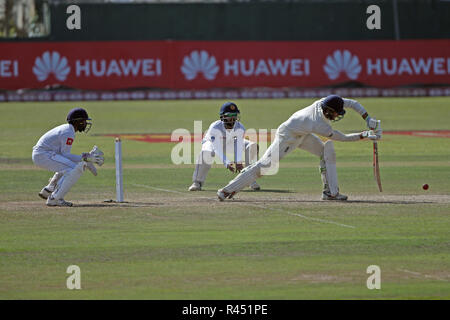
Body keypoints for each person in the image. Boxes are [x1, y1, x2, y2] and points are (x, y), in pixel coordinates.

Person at [217, 95, 382, 201]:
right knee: (265, 166)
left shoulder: (327, 101)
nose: (337, 116)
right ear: (328, 111)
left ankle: (330, 193)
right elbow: (343, 138)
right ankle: (227, 190)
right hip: (288, 136)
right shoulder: (318, 123)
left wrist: (367, 118)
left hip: (302, 133)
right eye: (336, 114)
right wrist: (364, 135)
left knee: (326, 151)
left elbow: (353, 103)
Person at [32, 107, 104, 207]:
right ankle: (55, 198)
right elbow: (65, 155)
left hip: (44, 154)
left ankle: (49, 188)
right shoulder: (68, 132)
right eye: (83, 121)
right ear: (77, 122)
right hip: (44, 155)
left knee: (69, 166)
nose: (85, 123)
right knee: (72, 169)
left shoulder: (67, 129)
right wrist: (85, 158)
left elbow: (64, 156)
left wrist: (84, 158)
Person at [188, 101, 261, 192]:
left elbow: (238, 144)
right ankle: (197, 182)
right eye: (229, 116)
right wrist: (227, 163)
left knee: (252, 146)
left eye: (234, 115)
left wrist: (238, 161)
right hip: (212, 143)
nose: (232, 118)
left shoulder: (240, 127)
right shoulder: (215, 127)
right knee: (206, 152)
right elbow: (217, 148)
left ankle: (249, 179)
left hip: (230, 142)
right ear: (223, 117)